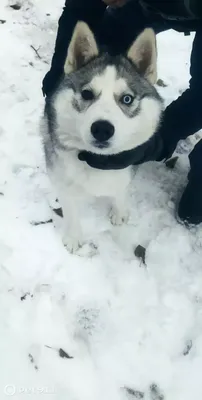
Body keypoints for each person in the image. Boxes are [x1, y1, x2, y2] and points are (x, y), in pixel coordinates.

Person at [42, 0, 202, 225]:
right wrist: (60, 76)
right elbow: (81, 12)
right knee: (106, 54)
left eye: (126, 99)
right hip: (147, 7)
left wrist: (153, 144)